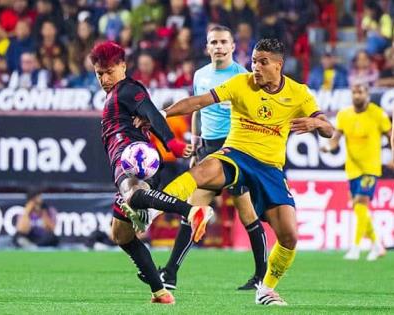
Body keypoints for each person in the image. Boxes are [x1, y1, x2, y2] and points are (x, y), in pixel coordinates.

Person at [126, 38, 334, 305]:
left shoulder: (299, 93)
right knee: (204, 170)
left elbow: (330, 130)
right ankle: (150, 211)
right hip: (235, 154)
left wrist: (316, 122)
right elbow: (199, 102)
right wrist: (160, 115)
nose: (255, 67)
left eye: (263, 62)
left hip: (270, 168)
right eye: (254, 61)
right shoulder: (240, 83)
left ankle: (266, 288)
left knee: (289, 236)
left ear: (278, 65)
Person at [142, 25, 268, 292]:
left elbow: (251, 116)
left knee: (247, 214)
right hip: (207, 149)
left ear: (233, 47)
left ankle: (261, 275)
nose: (219, 47)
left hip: (234, 150)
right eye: (214, 42)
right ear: (207, 47)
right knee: (193, 209)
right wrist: (196, 143)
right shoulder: (200, 75)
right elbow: (198, 110)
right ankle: (171, 272)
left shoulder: (244, 77)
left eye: (224, 42)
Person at [90, 41, 213, 305]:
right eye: (99, 73)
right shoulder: (116, 94)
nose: (104, 78)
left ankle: (193, 211)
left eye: (109, 71)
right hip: (126, 160)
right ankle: (161, 293)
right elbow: (148, 117)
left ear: (123, 66)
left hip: (134, 157)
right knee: (121, 234)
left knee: (134, 194)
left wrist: (172, 143)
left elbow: (152, 114)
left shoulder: (129, 89)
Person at [321, 83, 392, 261]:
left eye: (360, 92)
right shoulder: (344, 115)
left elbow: (390, 135)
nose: (357, 95)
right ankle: (377, 245)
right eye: (354, 92)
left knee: (361, 202)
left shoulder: (378, 114)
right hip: (352, 168)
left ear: (367, 94)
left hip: (371, 168)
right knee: (358, 207)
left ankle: (355, 247)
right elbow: (336, 138)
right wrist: (328, 147)